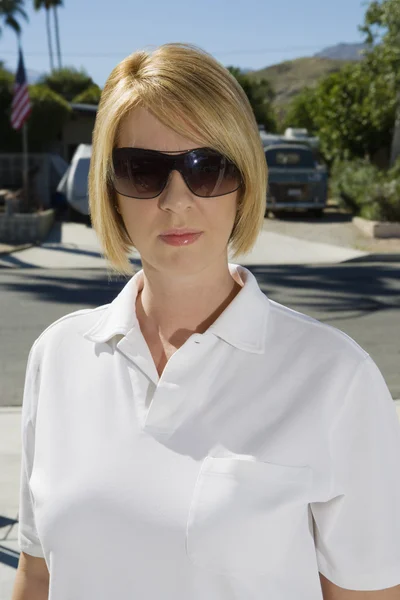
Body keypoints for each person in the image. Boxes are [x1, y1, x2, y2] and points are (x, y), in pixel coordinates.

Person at [13, 43, 400, 600]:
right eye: (142, 170)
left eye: (207, 167)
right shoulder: (58, 355)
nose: (176, 199)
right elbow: (39, 575)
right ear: (110, 188)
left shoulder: (336, 377)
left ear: (244, 178)